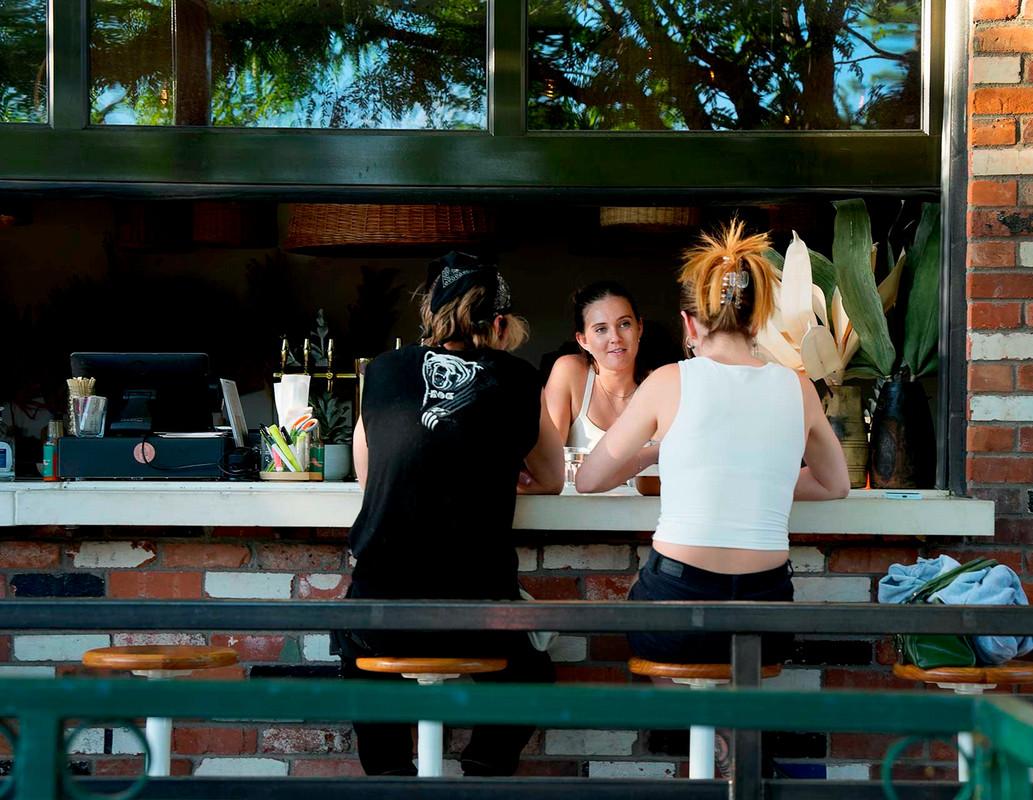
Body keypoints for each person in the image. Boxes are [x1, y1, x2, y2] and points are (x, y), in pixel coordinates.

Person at [574, 220, 851, 666]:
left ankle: (697, 735)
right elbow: (836, 484)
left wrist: (663, 450)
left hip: (679, 600)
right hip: (767, 605)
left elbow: (589, 479)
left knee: (666, 674)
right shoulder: (799, 387)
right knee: (736, 703)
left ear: (688, 322)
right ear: (759, 316)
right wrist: (761, 480)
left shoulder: (669, 381)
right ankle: (724, 733)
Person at [334, 251, 563, 777]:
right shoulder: (521, 378)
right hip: (475, 614)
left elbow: (371, 480)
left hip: (380, 613)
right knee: (532, 681)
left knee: (364, 673)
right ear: (500, 324)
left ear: (430, 317)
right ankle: (480, 769)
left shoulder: (384, 371)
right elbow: (551, 477)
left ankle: (390, 779)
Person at [545, 281, 645, 451]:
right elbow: (548, 460)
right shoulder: (569, 372)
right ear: (583, 340)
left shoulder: (659, 383)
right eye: (600, 329)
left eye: (624, 324)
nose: (615, 337)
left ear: (639, 328)